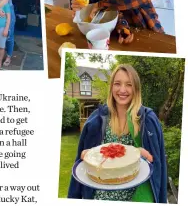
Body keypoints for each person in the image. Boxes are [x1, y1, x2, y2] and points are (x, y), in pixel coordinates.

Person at [68, 64, 167, 203]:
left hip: (136, 198)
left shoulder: (148, 119)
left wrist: (141, 155)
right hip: (99, 198)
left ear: (136, 88)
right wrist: (90, 155)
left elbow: (159, 166)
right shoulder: (96, 119)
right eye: (117, 84)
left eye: (129, 84)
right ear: (111, 87)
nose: (122, 90)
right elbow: (81, 160)